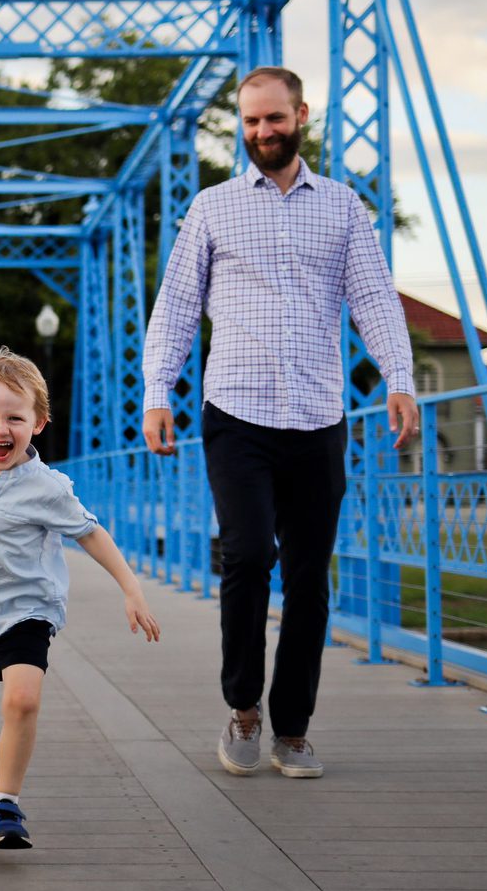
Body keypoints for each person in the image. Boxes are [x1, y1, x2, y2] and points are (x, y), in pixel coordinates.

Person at [141, 65, 418, 780]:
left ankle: (292, 728)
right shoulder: (212, 207)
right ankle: (242, 709)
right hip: (236, 411)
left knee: (308, 577)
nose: (263, 131)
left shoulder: (344, 208)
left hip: (319, 414)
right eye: (252, 121)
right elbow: (175, 306)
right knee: (245, 556)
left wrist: (400, 378)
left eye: (275, 118)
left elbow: (374, 298)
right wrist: (156, 392)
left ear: (301, 115)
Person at [0, 349, 160, 849]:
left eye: (15, 418)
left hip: (27, 610)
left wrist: (131, 587)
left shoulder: (47, 487)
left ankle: (6, 801)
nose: (0, 429)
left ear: (39, 423)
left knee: (23, 700)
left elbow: (91, 534)